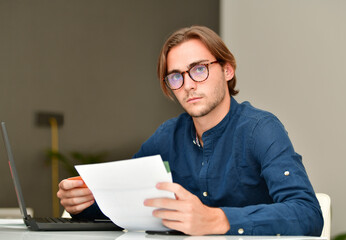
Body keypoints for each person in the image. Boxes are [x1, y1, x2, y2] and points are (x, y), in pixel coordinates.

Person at [57, 26, 323, 236]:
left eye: (199, 69)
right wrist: (83, 204)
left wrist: (217, 220)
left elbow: (308, 214)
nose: (188, 85)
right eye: (176, 76)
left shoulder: (261, 130)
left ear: (227, 70)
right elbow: (130, 206)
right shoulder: (167, 137)